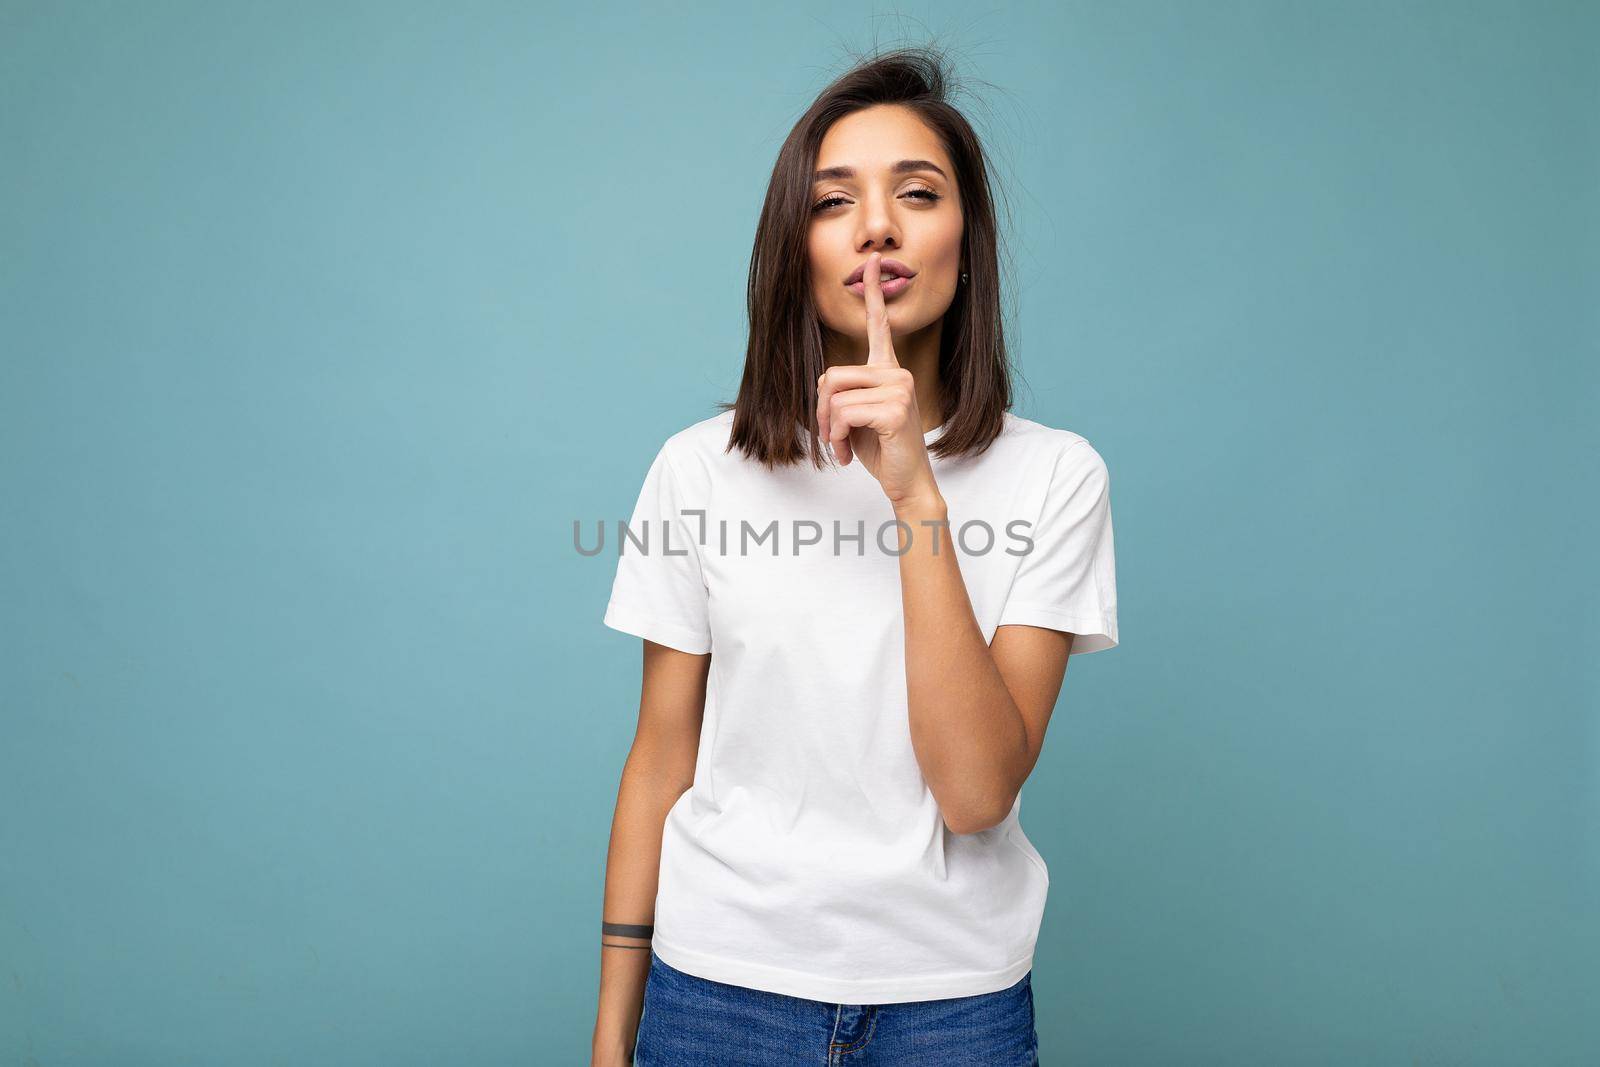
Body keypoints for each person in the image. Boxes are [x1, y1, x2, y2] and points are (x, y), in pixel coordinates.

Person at [591, 46, 1119, 1066]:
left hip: (952, 1008)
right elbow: (659, 758)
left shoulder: (1056, 476)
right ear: (796, 247)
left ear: (968, 239)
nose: (877, 223)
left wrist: (912, 488)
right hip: (715, 999)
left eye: (916, 193)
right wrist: (614, 1028)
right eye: (835, 201)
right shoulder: (698, 471)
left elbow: (975, 792)